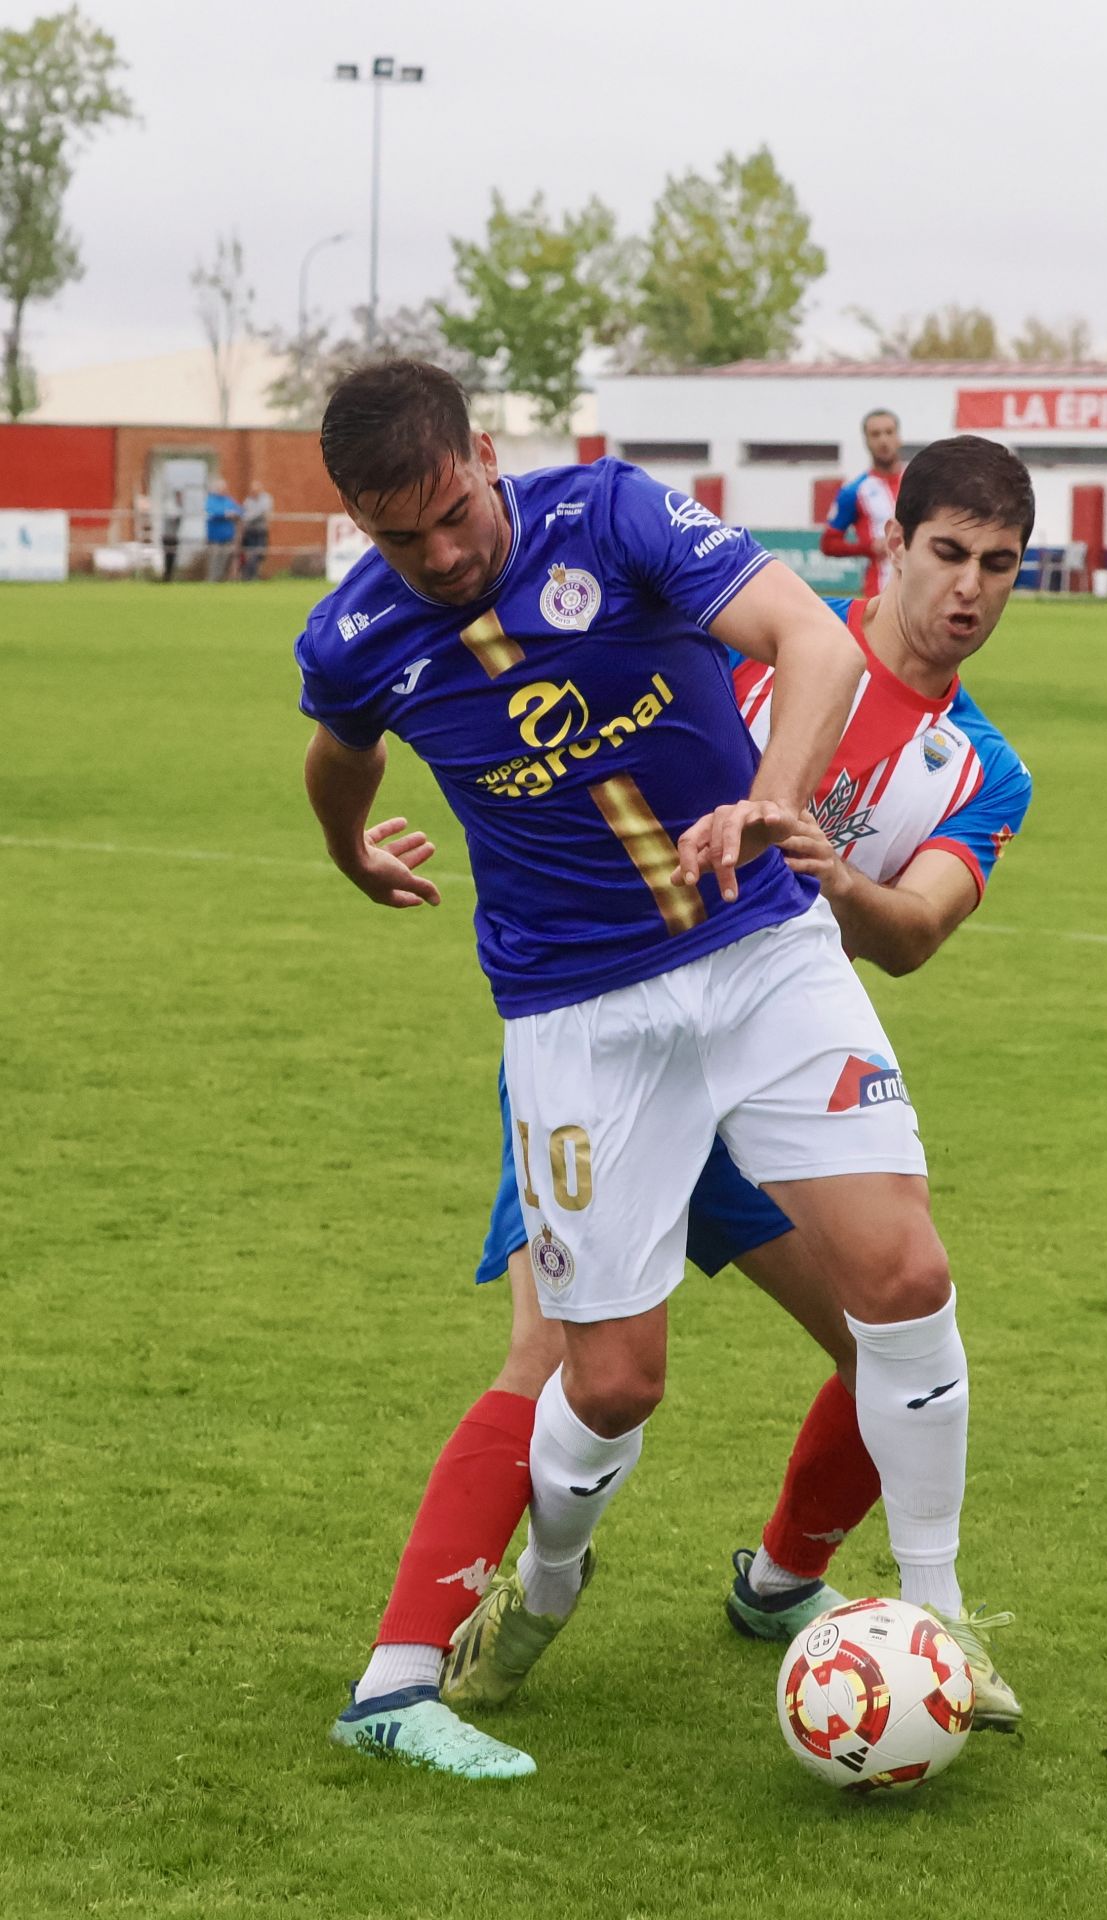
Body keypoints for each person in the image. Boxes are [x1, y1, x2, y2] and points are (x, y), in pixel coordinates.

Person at [295, 363, 993, 1783]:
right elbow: (336, 755)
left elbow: (814, 644)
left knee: (906, 1279)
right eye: (396, 538)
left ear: (485, 455)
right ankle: (545, 1584)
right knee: (609, 1383)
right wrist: (347, 850)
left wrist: (771, 800)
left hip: (759, 955)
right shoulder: (356, 634)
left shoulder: (611, 515)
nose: (436, 557)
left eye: (448, 516)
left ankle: (942, 1618)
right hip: (576, 1017)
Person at [821, 409, 903, 598]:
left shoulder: (918, 482)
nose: (883, 440)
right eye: (875, 434)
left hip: (919, 589)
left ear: (899, 438)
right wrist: (868, 547)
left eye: (889, 432)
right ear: (866, 441)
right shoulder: (854, 492)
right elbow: (829, 543)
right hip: (879, 592)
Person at [204, 477, 240, 582]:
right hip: (215, 537)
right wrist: (225, 514)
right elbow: (211, 512)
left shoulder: (228, 500)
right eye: (221, 488)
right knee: (214, 560)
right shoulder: (210, 500)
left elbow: (239, 510)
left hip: (227, 536)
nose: (223, 490)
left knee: (224, 560)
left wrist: (235, 513)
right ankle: (211, 581)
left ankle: (220, 580)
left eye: (224, 488)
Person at [240, 480, 273, 581]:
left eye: (256, 490)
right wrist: (248, 518)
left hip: (261, 531)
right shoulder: (248, 500)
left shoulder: (266, 499)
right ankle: (249, 576)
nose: (254, 492)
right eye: (252, 490)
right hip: (250, 531)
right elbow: (244, 513)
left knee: (260, 554)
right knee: (250, 554)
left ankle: (252, 574)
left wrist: (249, 518)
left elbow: (262, 512)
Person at [161, 489, 182, 583]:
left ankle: (170, 576)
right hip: (168, 536)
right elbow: (174, 516)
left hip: (174, 536)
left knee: (172, 557)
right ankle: (166, 576)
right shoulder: (171, 506)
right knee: (167, 557)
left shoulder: (179, 507)